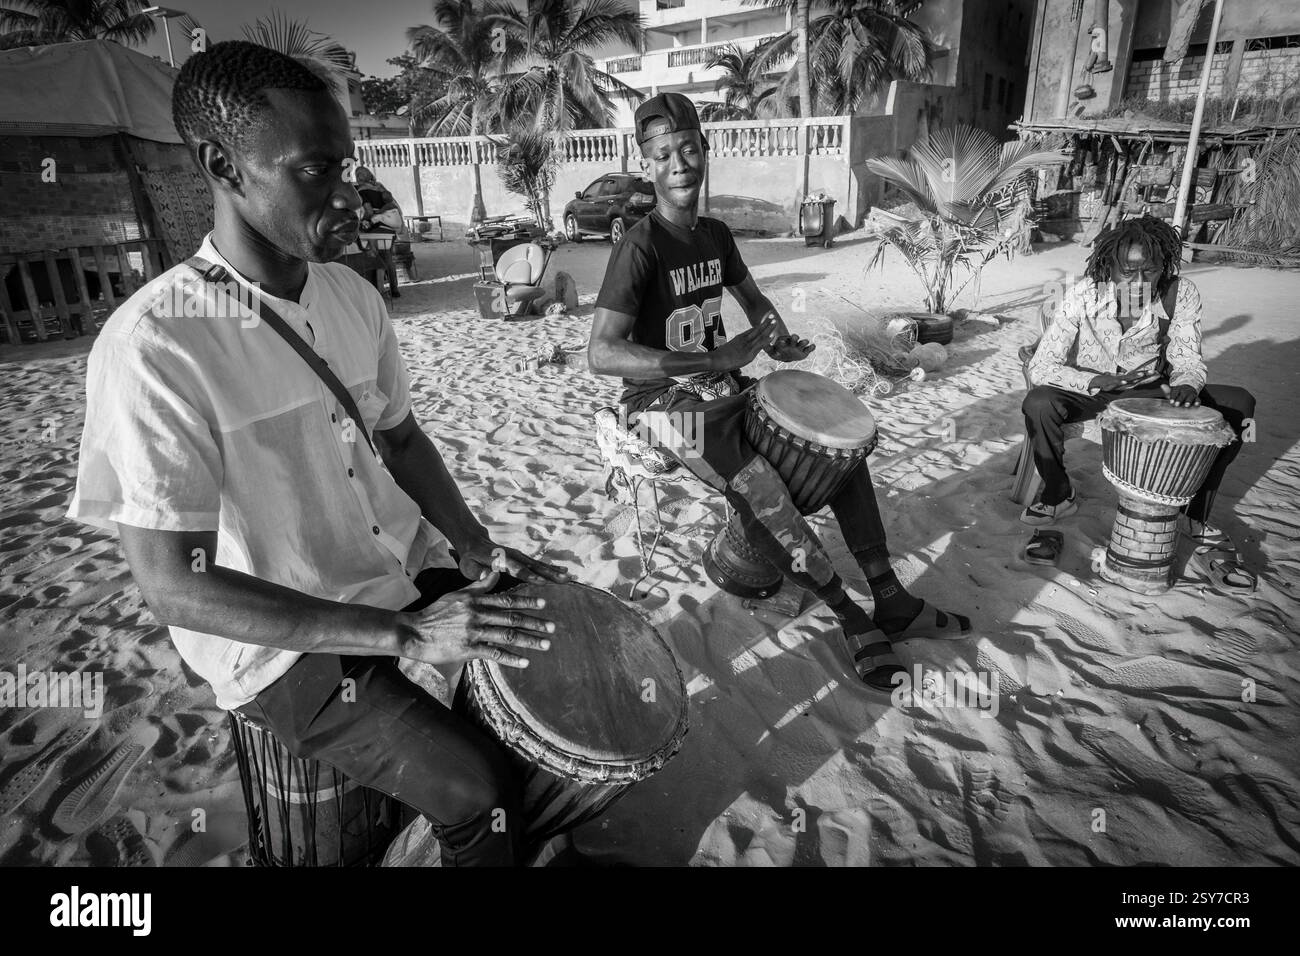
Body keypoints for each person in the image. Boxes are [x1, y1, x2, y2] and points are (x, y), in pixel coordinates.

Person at [66, 41, 570, 866]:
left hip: (399, 565)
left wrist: (474, 548)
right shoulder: (156, 346)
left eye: (347, 168)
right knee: (480, 790)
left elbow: (401, 438)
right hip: (289, 641)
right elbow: (174, 586)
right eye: (314, 173)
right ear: (221, 164)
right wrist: (407, 639)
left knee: (550, 666)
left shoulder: (350, 294)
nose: (347, 196)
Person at [587, 93, 971, 691]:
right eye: (663, 154)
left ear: (705, 150)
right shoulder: (640, 244)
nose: (679, 163)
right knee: (760, 483)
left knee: (837, 445)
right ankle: (849, 617)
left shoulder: (714, 234)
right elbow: (601, 353)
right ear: (648, 164)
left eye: (688, 148)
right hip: (657, 407)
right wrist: (710, 357)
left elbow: (752, 297)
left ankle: (889, 595)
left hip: (717, 385)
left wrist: (776, 337)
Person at [1021, 215, 1256, 590]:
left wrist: (1186, 384)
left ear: (1165, 265)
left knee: (1238, 405)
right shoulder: (1084, 293)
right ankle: (1057, 492)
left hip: (1146, 393)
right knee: (1039, 402)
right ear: (1109, 266)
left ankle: (1191, 513)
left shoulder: (1180, 293)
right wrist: (1094, 379)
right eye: (1128, 272)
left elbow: (1187, 356)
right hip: (1090, 391)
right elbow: (1042, 365)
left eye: (1150, 270)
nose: (1140, 282)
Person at [354, 165, 402, 298]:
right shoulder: (381, 188)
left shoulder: (362, 192)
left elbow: (368, 211)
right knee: (388, 258)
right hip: (388, 229)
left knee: (373, 258)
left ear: (359, 178)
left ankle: (377, 289)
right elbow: (393, 206)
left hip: (374, 231)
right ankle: (394, 289)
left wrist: (365, 221)